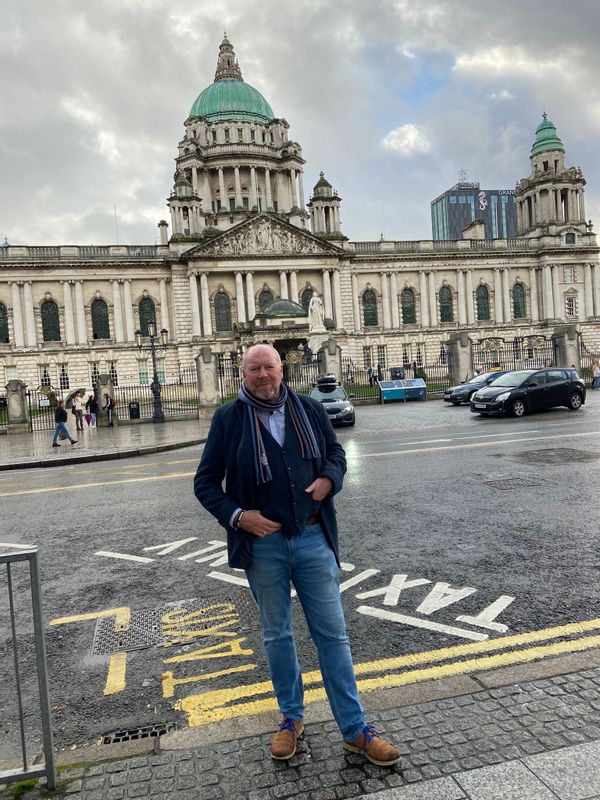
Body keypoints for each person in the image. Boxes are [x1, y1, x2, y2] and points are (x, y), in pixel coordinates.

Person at [194, 344, 400, 766]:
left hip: (312, 538)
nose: (263, 374)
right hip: (264, 547)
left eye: (269, 366)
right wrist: (238, 517)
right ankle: (291, 719)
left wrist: (329, 479)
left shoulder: (308, 409)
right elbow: (206, 482)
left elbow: (336, 454)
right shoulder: (228, 419)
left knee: (333, 636)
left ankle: (355, 728)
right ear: (243, 373)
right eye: (255, 369)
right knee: (277, 635)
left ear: (281, 368)